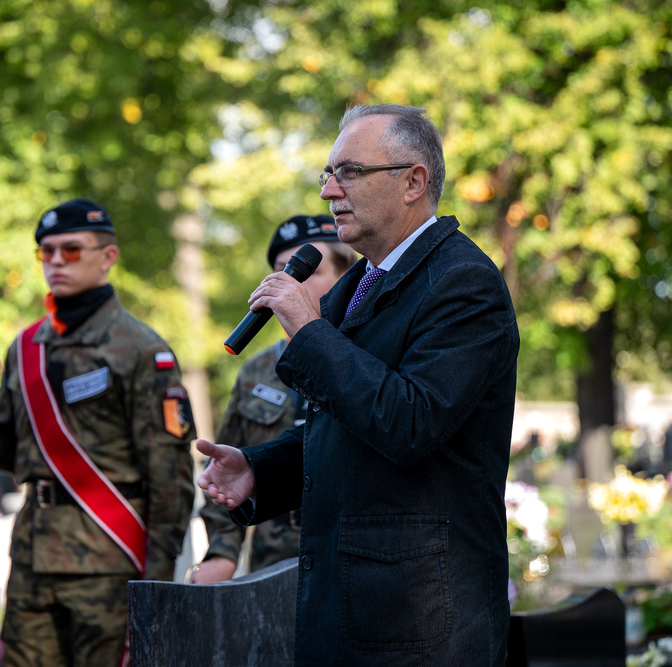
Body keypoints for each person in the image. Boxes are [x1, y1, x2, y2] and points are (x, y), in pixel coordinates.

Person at [197, 104, 520, 665]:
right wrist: (261, 470)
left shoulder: (463, 283)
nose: (328, 191)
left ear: (412, 182)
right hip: (350, 613)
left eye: (348, 172)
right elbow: (346, 430)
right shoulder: (362, 283)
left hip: (420, 624)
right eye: (327, 174)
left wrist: (307, 328)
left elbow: (410, 422)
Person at [0, 198, 195, 666]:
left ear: (108, 257)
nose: (56, 262)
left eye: (71, 250)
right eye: (46, 252)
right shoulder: (25, 348)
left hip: (109, 560)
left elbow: (169, 476)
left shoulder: (141, 350)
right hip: (32, 558)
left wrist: (157, 583)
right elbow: (9, 447)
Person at [192, 214, 356, 584]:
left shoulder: (363, 359)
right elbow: (223, 465)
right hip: (271, 568)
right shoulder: (256, 370)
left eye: (306, 271)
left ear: (346, 278)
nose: (289, 284)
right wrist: (221, 552)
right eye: (281, 272)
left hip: (350, 561)